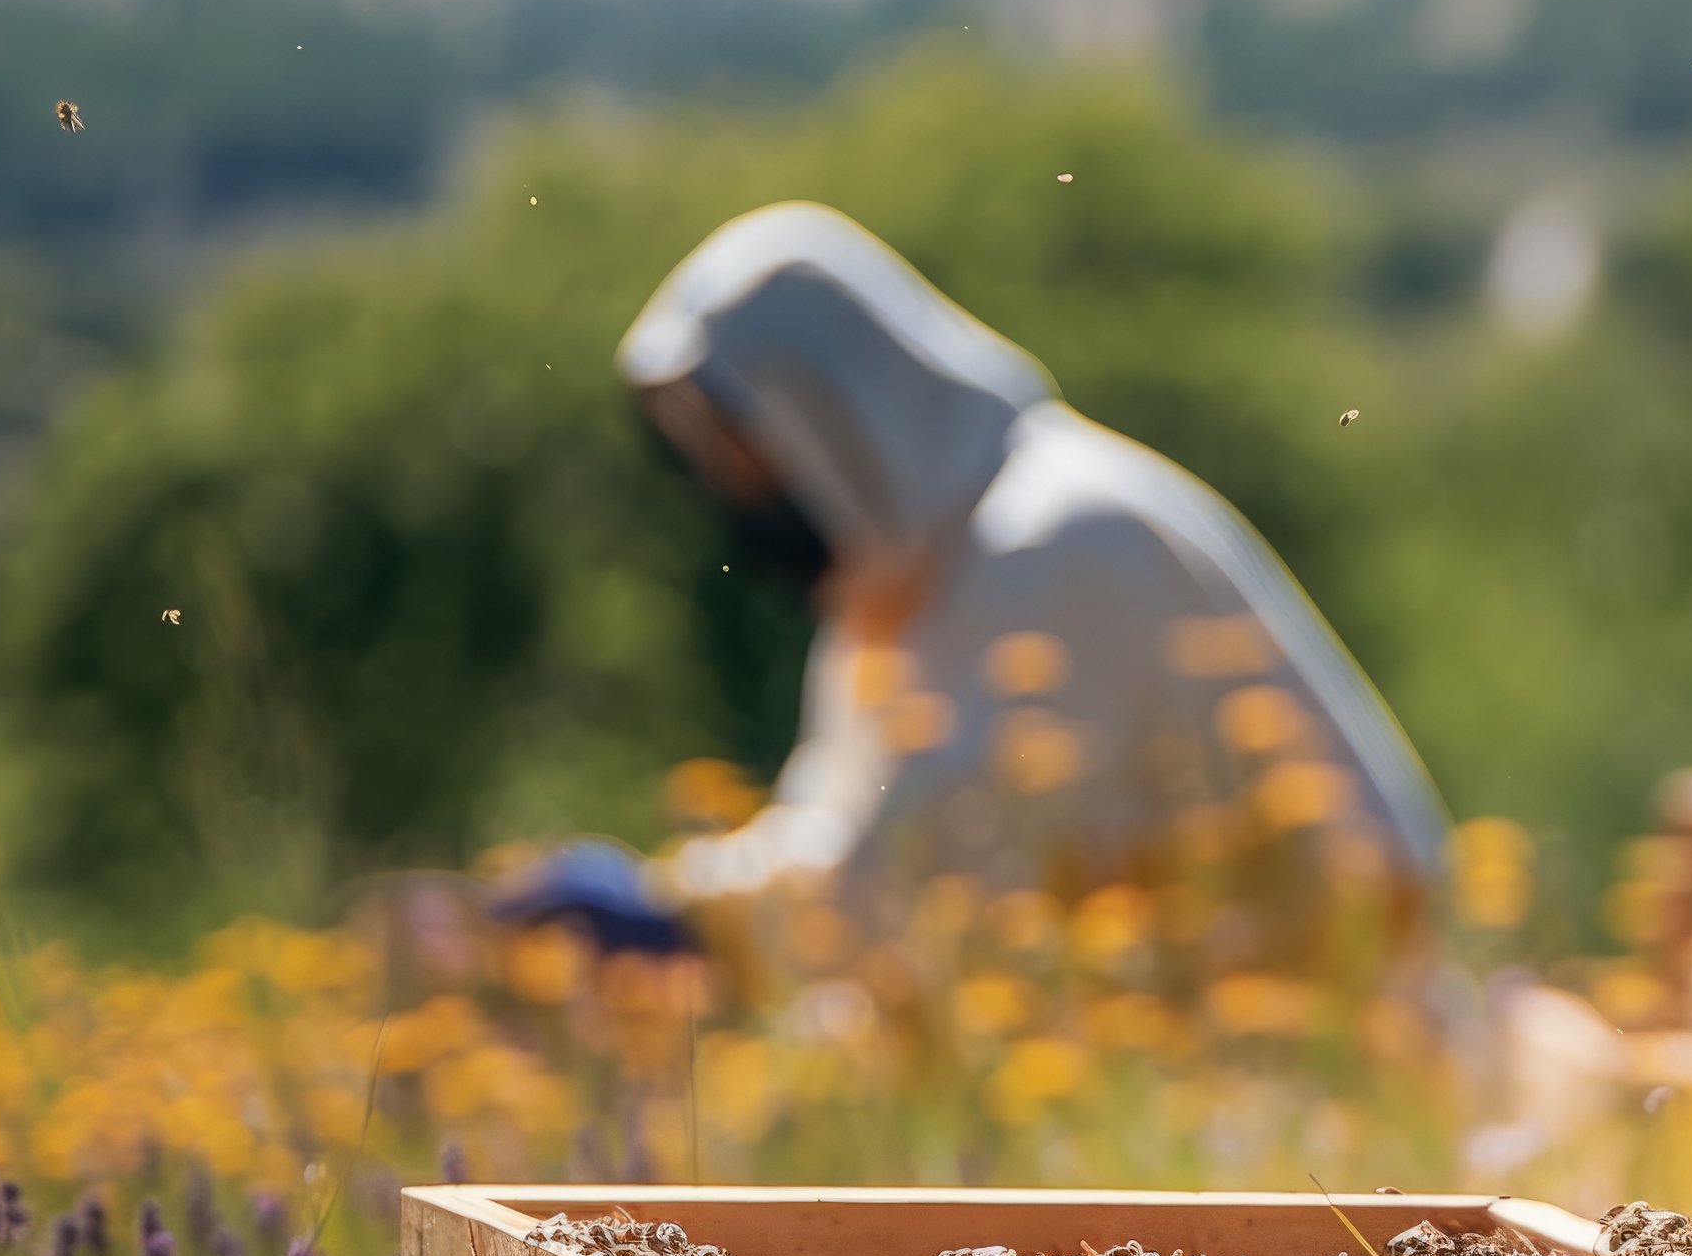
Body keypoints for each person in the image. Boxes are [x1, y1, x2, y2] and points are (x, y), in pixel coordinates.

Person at [500, 203, 1449, 974]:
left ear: (830, 413)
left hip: (1331, 1112)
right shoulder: (906, 590)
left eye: (744, 460)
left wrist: (681, 918)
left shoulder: (1060, 538)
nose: (737, 502)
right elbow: (852, 839)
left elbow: (915, 875)